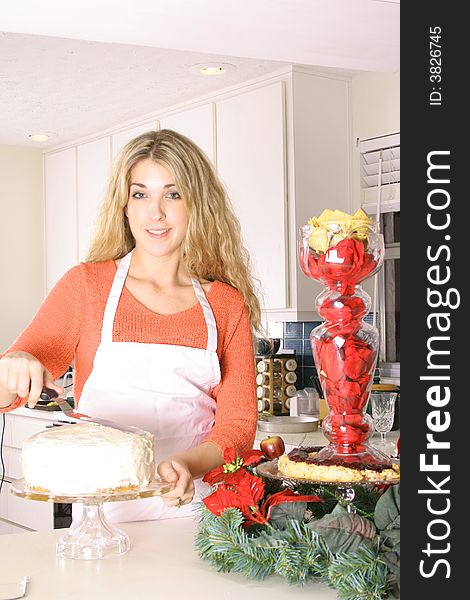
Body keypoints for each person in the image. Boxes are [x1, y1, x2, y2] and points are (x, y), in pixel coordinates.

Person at [0, 129, 260, 521]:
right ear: (124, 206)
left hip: (196, 512)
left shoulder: (225, 304)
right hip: (101, 517)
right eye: (140, 194)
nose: (155, 213)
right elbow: (6, 393)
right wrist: (15, 362)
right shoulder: (88, 286)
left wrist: (186, 465)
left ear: (197, 205)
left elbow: (237, 428)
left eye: (173, 194)